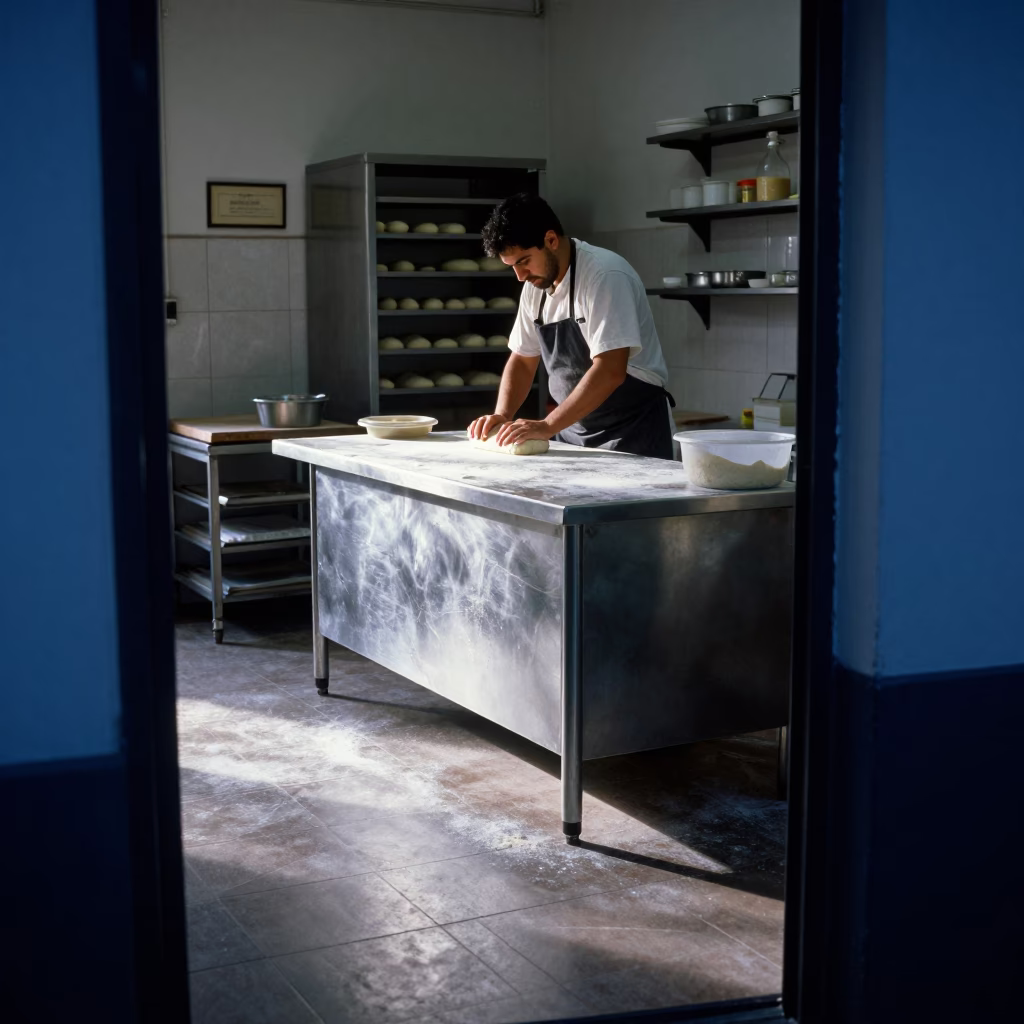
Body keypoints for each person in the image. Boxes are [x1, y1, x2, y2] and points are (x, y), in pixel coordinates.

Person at [468, 193, 675, 459]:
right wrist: (502, 415)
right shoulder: (536, 285)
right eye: (512, 267)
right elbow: (522, 359)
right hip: (574, 431)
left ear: (551, 240)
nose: (520, 277)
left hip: (634, 431)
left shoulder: (605, 275)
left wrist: (547, 425)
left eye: (524, 261)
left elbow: (610, 369)